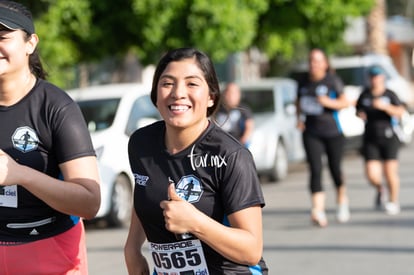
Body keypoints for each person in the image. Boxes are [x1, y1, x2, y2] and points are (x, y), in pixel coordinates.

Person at [124, 47, 268, 274]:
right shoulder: (141, 143)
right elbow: (144, 189)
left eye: (192, 84)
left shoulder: (230, 156)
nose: (178, 93)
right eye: (167, 83)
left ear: (211, 97)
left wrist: (194, 222)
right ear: (156, 94)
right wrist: (132, 249)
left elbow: (251, 250)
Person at [0, 1, 101, 274]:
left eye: (2, 37)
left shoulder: (56, 106)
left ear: (30, 43)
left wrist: (19, 174)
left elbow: (90, 202)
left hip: (49, 251)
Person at [296, 48, 351, 227]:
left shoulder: (332, 81)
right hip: (311, 132)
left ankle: (342, 201)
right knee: (315, 169)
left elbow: (345, 102)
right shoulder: (303, 82)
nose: (314, 64)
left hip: (333, 132)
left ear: (325, 64)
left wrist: (329, 102)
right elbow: (299, 103)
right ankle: (318, 210)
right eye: (312, 60)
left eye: (318, 60)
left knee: (335, 169)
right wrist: (299, 119)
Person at [356, 65, 405, 215]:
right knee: (371, 174)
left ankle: (393, 201)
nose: (375, 80)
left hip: (389, 136)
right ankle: (380, 189)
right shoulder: (365, 95)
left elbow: (400, 112)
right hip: (371, 137)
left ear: (382, 78)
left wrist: (385, 107)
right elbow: (358, 110)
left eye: (377, 76)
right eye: (372, 77)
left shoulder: (390, 95)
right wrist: (360, 114)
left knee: (390, 172)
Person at [214, 82, 254, 147]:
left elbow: (249, 127)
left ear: (239, 95)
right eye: (228, 93)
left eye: (234, 93)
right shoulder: (217, 110)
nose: (230, 96)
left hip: (238, 144)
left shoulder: (243, 110)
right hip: (220, 144)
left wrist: (241, 144)